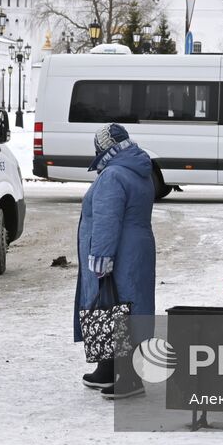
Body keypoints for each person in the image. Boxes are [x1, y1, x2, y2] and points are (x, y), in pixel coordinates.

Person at [74, 122, 156, 399]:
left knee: (116, 310)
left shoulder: (113, 175)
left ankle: (128, 378)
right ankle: (107, 369)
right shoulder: (137, 169)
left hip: (118, 252)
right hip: (137, 250)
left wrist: (101, 257)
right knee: (124, 308)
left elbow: (107, 220)